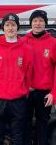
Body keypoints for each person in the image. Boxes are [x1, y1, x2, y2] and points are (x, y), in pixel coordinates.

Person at [0, 13, 33, 145]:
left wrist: (23, 91)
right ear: (3, 28)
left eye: (13, 25)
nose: (10, 28)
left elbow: (28, 74)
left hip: (18, 100)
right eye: (7, 25)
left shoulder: (26, 49)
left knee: (17, 137)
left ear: (17, 27)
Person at [23, 10, 56, 145]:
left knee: (42, 126)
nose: (38, 23)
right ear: (31, 23)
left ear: (45, 23)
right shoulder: (22, 41)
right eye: (35, 20)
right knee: (24, 125)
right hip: (26, 92)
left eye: (41, 21)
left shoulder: (53, 43)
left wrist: (54, 93)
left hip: (45, 94)